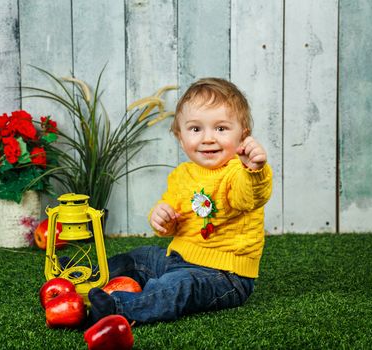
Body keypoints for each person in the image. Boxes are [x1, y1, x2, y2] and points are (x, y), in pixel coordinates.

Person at [88, 77, 273, 324]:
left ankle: (119, 307)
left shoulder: (239, 172)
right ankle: (86, 276)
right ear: (179, 136)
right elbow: (174, 223)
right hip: (178, 258)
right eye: (196, 129)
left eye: (221, 128)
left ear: (243, 135)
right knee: (139, 257)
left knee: (178, 286)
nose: (208, 138)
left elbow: (249, 198)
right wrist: (162, 217)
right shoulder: (182, 175)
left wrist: (254, 170)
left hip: (224, 276)